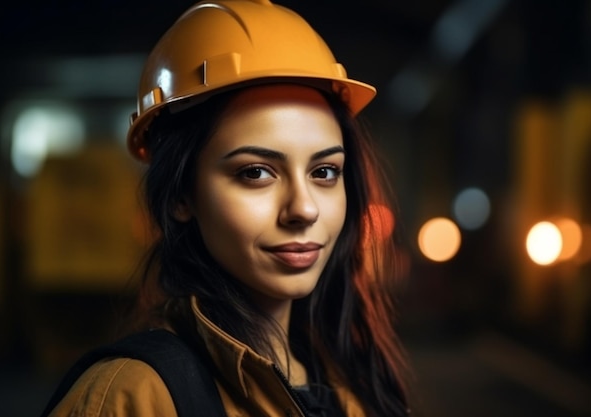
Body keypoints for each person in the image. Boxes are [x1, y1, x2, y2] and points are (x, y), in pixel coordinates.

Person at [43, 0, 412, 416]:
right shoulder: (133, 397)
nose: (304, 208)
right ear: (182, 196)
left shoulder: (355, 384)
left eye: (324, 172)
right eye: (256, 173)